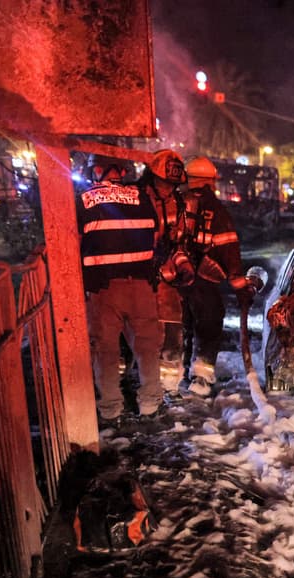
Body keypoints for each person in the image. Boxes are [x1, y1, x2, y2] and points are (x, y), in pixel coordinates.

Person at [76, 153, 163, 423]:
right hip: (141, 286)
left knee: (106, 349)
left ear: (98, 170)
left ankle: (110, 408)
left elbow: (74, 239)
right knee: (147, 346)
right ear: (122, 172)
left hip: (103, 288)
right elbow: (156, 234)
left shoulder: (83, 199)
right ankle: (150, 403)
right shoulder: (142, 196)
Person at [167, 155, 246, 396]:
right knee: (208, 327)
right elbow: (229, 250)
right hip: (206, 282)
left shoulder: (173, 204)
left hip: (175, 281)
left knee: (179, 327)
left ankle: (169, 382)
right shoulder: (218, 211)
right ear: (210, 181)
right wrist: (240, 288)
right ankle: (200, 379)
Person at [139, 149, 188, 390]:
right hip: (140, 279)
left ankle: (169, 387)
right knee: (141, 337)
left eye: (173, 184)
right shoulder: (138, 198)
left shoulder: (176, 203)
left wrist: (183, 265)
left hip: (166, 281)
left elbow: (177, 242)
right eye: (165, 183)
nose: (170, 188)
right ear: (153, 178)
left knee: (172, 330)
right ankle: (140, 385)